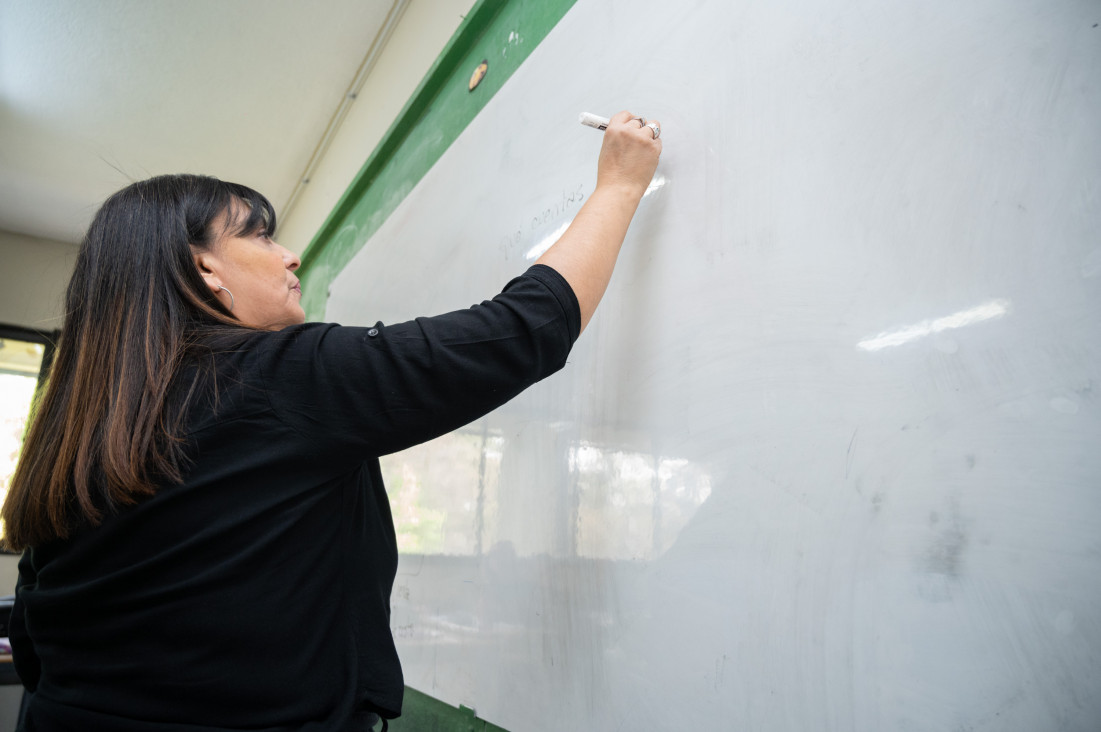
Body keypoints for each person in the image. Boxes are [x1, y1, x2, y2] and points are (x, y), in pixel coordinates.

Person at [0, 111, 661, 731]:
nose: (290, 255)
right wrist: (620, 185)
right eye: (258, 234)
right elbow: (521, 332)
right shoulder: (278, 375)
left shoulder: (78, 433)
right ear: (204, 267)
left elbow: (32, 633)